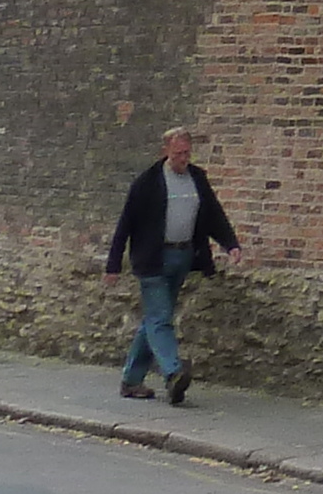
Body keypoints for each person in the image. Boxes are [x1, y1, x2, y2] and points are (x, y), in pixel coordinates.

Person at [102, 127, 240, 406]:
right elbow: (125, 224)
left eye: (187, 153)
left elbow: (213, 214)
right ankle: (173, 373)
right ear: (165, 151)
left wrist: (230, 243)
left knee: (154, 319)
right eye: (178, 153)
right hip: (153, 258)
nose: (183, 159)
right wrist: (113, 264)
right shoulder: (147, 183)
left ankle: (131, 380)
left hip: (183, 256)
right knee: (161, 317)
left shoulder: (197, 179)